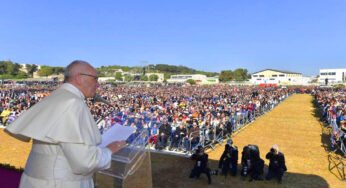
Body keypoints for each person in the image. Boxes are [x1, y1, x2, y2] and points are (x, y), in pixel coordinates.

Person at [5, 60, 127, 188]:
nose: (98, 85)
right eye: (95, 79)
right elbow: (85, 162)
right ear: (79, 78)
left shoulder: (59, 97)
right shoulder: (73, 103)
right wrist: (109, 150)